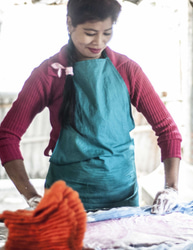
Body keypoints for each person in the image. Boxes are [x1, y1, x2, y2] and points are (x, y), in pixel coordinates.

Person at [0, 0, 182, 213]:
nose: (99, 42)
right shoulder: (49, 74)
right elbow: (7, 136)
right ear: (69, 24)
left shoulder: (127, 70)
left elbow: (168, 131)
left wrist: (171, 188)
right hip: (64, 205)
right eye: (89, 32)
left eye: (107, 33)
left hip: (123, 204)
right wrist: (31, 196)